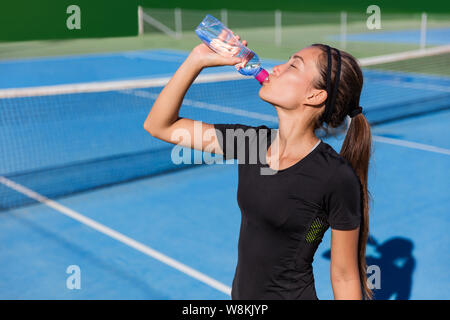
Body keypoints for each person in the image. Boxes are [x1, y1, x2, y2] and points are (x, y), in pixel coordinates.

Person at [144, 35, 373, 300]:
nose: (276, 68)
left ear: (315, 95)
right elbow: (160, 126)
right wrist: (197, 59)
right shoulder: (250, 143)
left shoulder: (334, 176)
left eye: (293, 66)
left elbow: (344, 275)